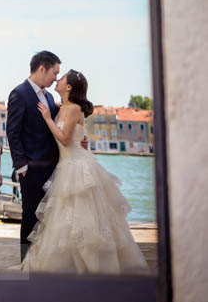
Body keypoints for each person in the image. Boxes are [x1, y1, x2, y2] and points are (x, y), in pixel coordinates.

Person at [21, 69, 148, 273]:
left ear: (69, 86)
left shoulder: (73, 108)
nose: (58, 79)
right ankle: (69, 265)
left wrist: (47, 118)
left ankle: (90, 266)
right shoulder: (62, 106)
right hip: (66, 165)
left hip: (78, 167)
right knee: (65, 220)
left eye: (61, 78)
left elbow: (64, 138)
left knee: (83, 218)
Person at [6, 51, 89, 262]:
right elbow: (12, 132)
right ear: (42, 68)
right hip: (32, 170)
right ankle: (26, 262)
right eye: (55, 72)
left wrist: (79, 139)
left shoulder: (50, 97)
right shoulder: (19, 93)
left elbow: (62, 124)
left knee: (51, 218)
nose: (55, 78)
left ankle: (43, 261)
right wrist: (21, 166)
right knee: (30, 216)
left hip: (55, 169)